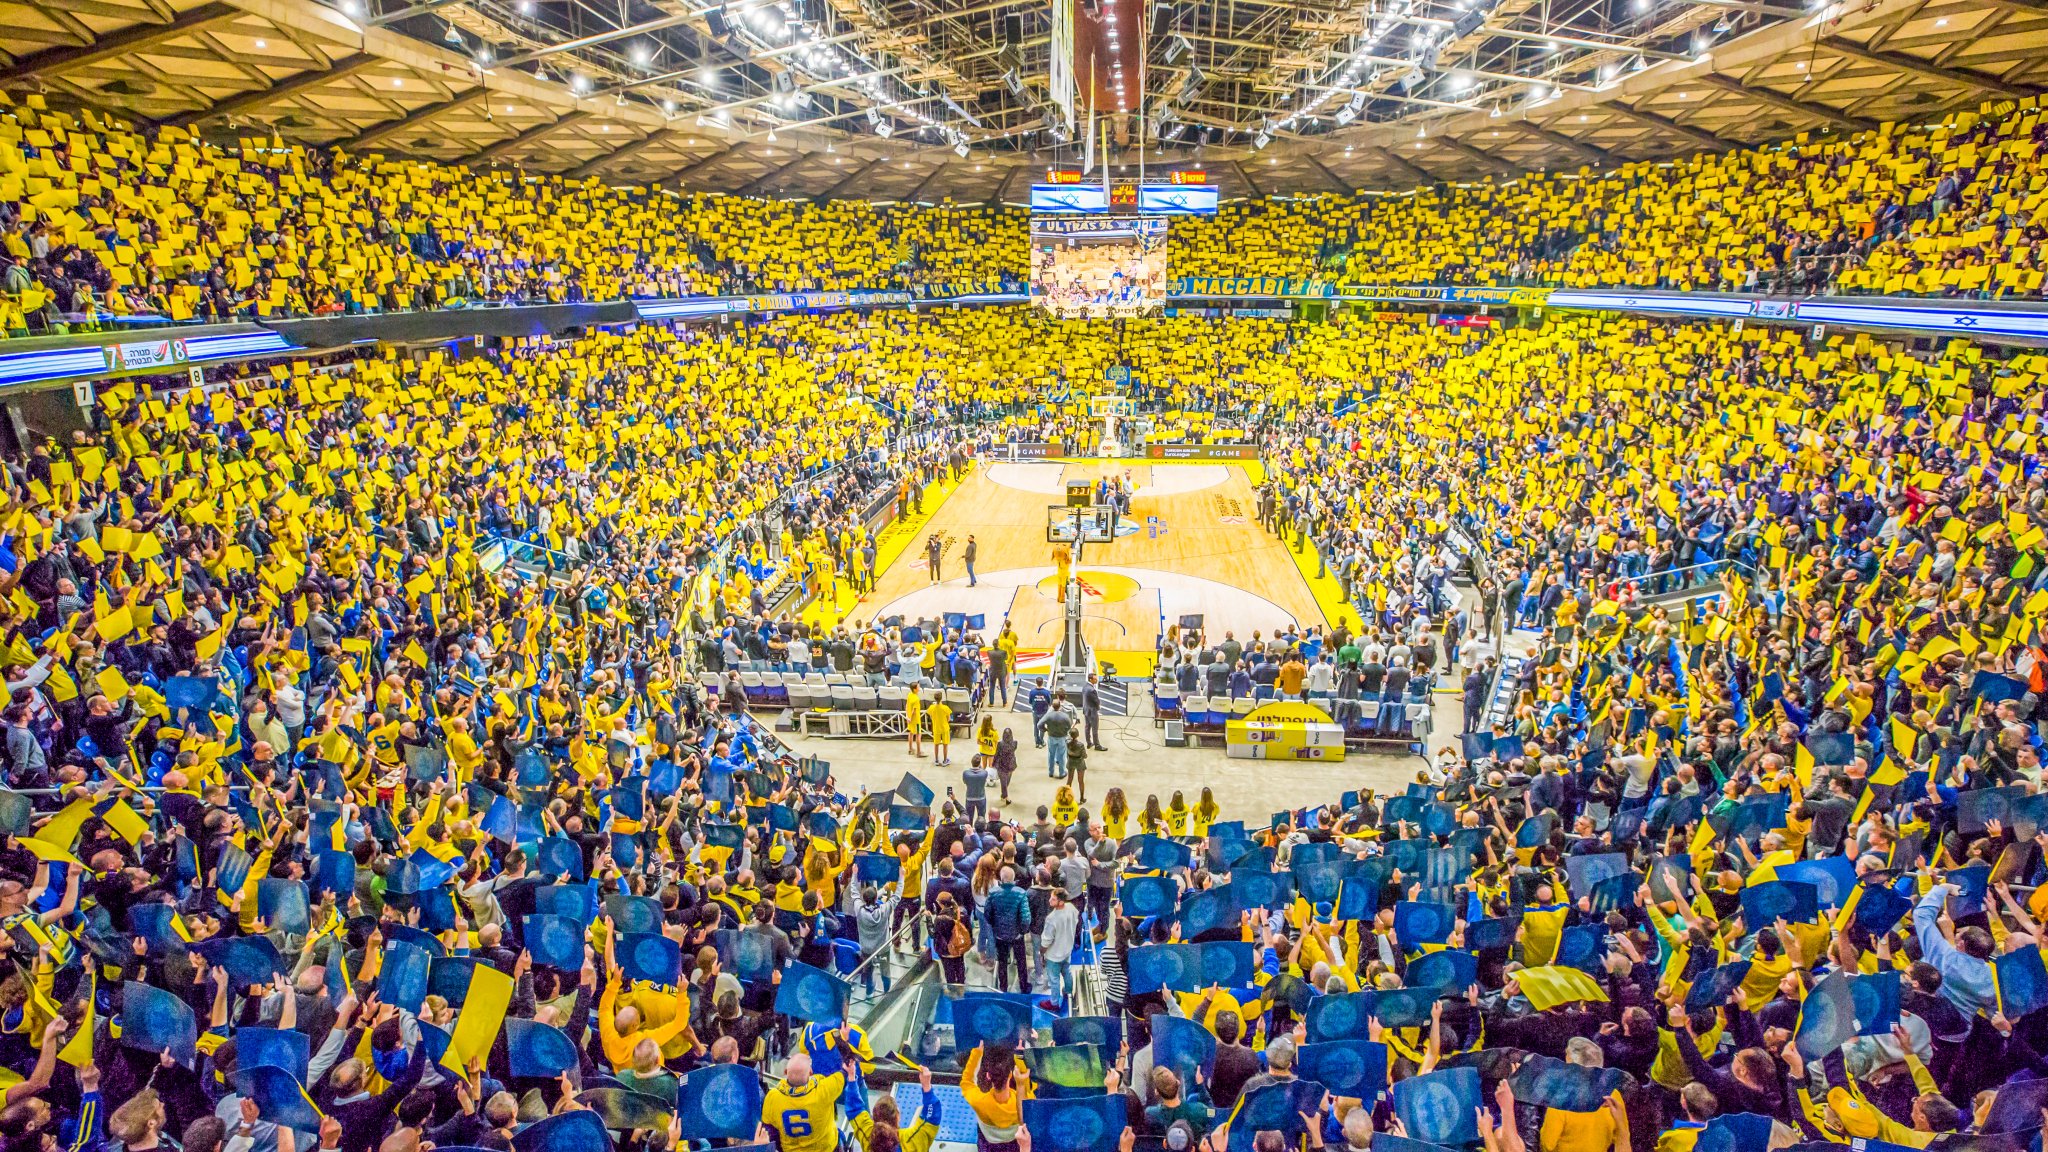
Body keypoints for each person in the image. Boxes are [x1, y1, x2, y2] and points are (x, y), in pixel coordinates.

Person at [928, 694, 955, 767]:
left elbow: (931, 717)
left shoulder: (931, 707)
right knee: (945, 745)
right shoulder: (945, 708)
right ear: (941, 698)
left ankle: (936, 760)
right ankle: (945, 760)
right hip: (944, 729)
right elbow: (949, 719)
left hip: (936, 728)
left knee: (936, 745)